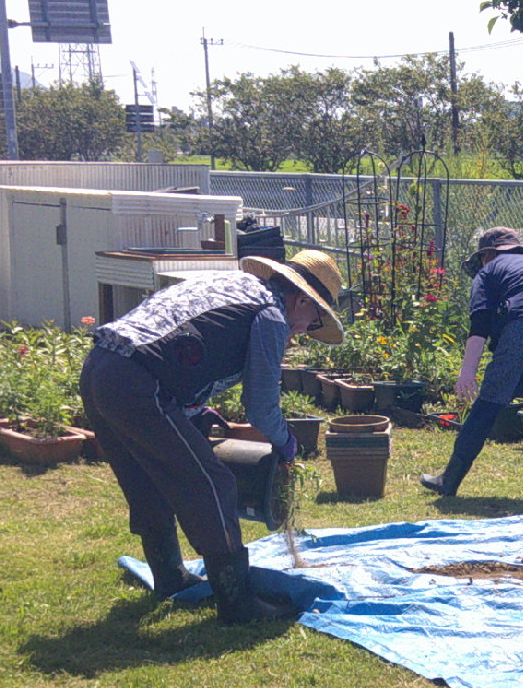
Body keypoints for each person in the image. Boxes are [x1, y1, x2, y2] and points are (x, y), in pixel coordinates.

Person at [79, 249, 344, 623]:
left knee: (146, 480)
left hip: (101, 367)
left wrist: (191, 410)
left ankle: (170, 576)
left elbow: (181, 346)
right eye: (314, 321)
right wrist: (286, 443)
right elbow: (261, 405)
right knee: (212, 484)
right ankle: (238, 604)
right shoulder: (271, 314)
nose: (305, 331)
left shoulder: (234, 286)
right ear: (301, 299)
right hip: (138, 384)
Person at [420, 225, 523, 503]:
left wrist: (467, 372)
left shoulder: (488, 272)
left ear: (487, 255)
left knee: (486, 407)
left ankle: (449, 480)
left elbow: (480, 324)